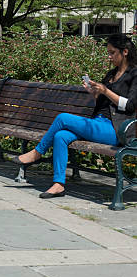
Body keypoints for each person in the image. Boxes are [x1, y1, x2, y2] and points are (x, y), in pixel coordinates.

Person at [14, 34, 137, 199]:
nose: (109, 56)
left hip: (116, 129)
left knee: (63, 118)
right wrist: (94, 92)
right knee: (61, 136)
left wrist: (106, 91)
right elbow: (102, 102)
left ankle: (37, 152)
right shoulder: (111, 74)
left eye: (112, 52)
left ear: (125, 52)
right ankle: (58, 184)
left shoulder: (134, 74)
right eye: (108, 52)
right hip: (98, 122)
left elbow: (130, 106)